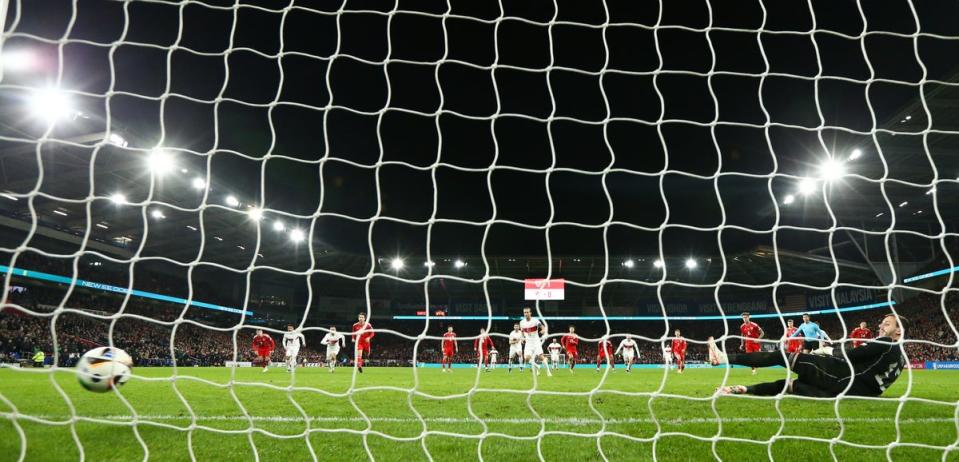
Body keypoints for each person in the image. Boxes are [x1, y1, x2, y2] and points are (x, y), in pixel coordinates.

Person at [710, 314, 907, 398]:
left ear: (899, 332)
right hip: (846, 392)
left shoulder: (888, 343)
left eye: (887, 324)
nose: (881, 326)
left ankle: (723, 359)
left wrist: (827, 350)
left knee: (782, 356)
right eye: (882, 322)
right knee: (788, 386)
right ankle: (736, 390)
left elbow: (852, 355)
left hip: (838, 378)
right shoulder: (901, 359)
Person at [519, 307, 552, 376]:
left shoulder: (535, 321)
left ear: (530, 313)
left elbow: (543, 328)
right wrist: (522, 338)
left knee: (541, 357)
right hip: (528, 343)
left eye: (527, 312)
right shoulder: (521, 322)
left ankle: (548, 371)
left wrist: (543, 331)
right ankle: (537, 366)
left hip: (536, 342)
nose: (526, 314)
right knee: (527, 359)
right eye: (525, 312)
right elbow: (522, 331)